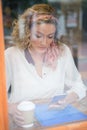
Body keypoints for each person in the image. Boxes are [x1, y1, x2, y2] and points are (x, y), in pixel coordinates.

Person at [5, 4, 87, 127]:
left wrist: (67, 99)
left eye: (50, 37)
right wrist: (10, 108)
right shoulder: (10, 55)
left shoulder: (62, 52)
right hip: (23, 123)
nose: (44, 42)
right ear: (27, 32)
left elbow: (78, 85)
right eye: (38, 36)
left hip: (54, 122)